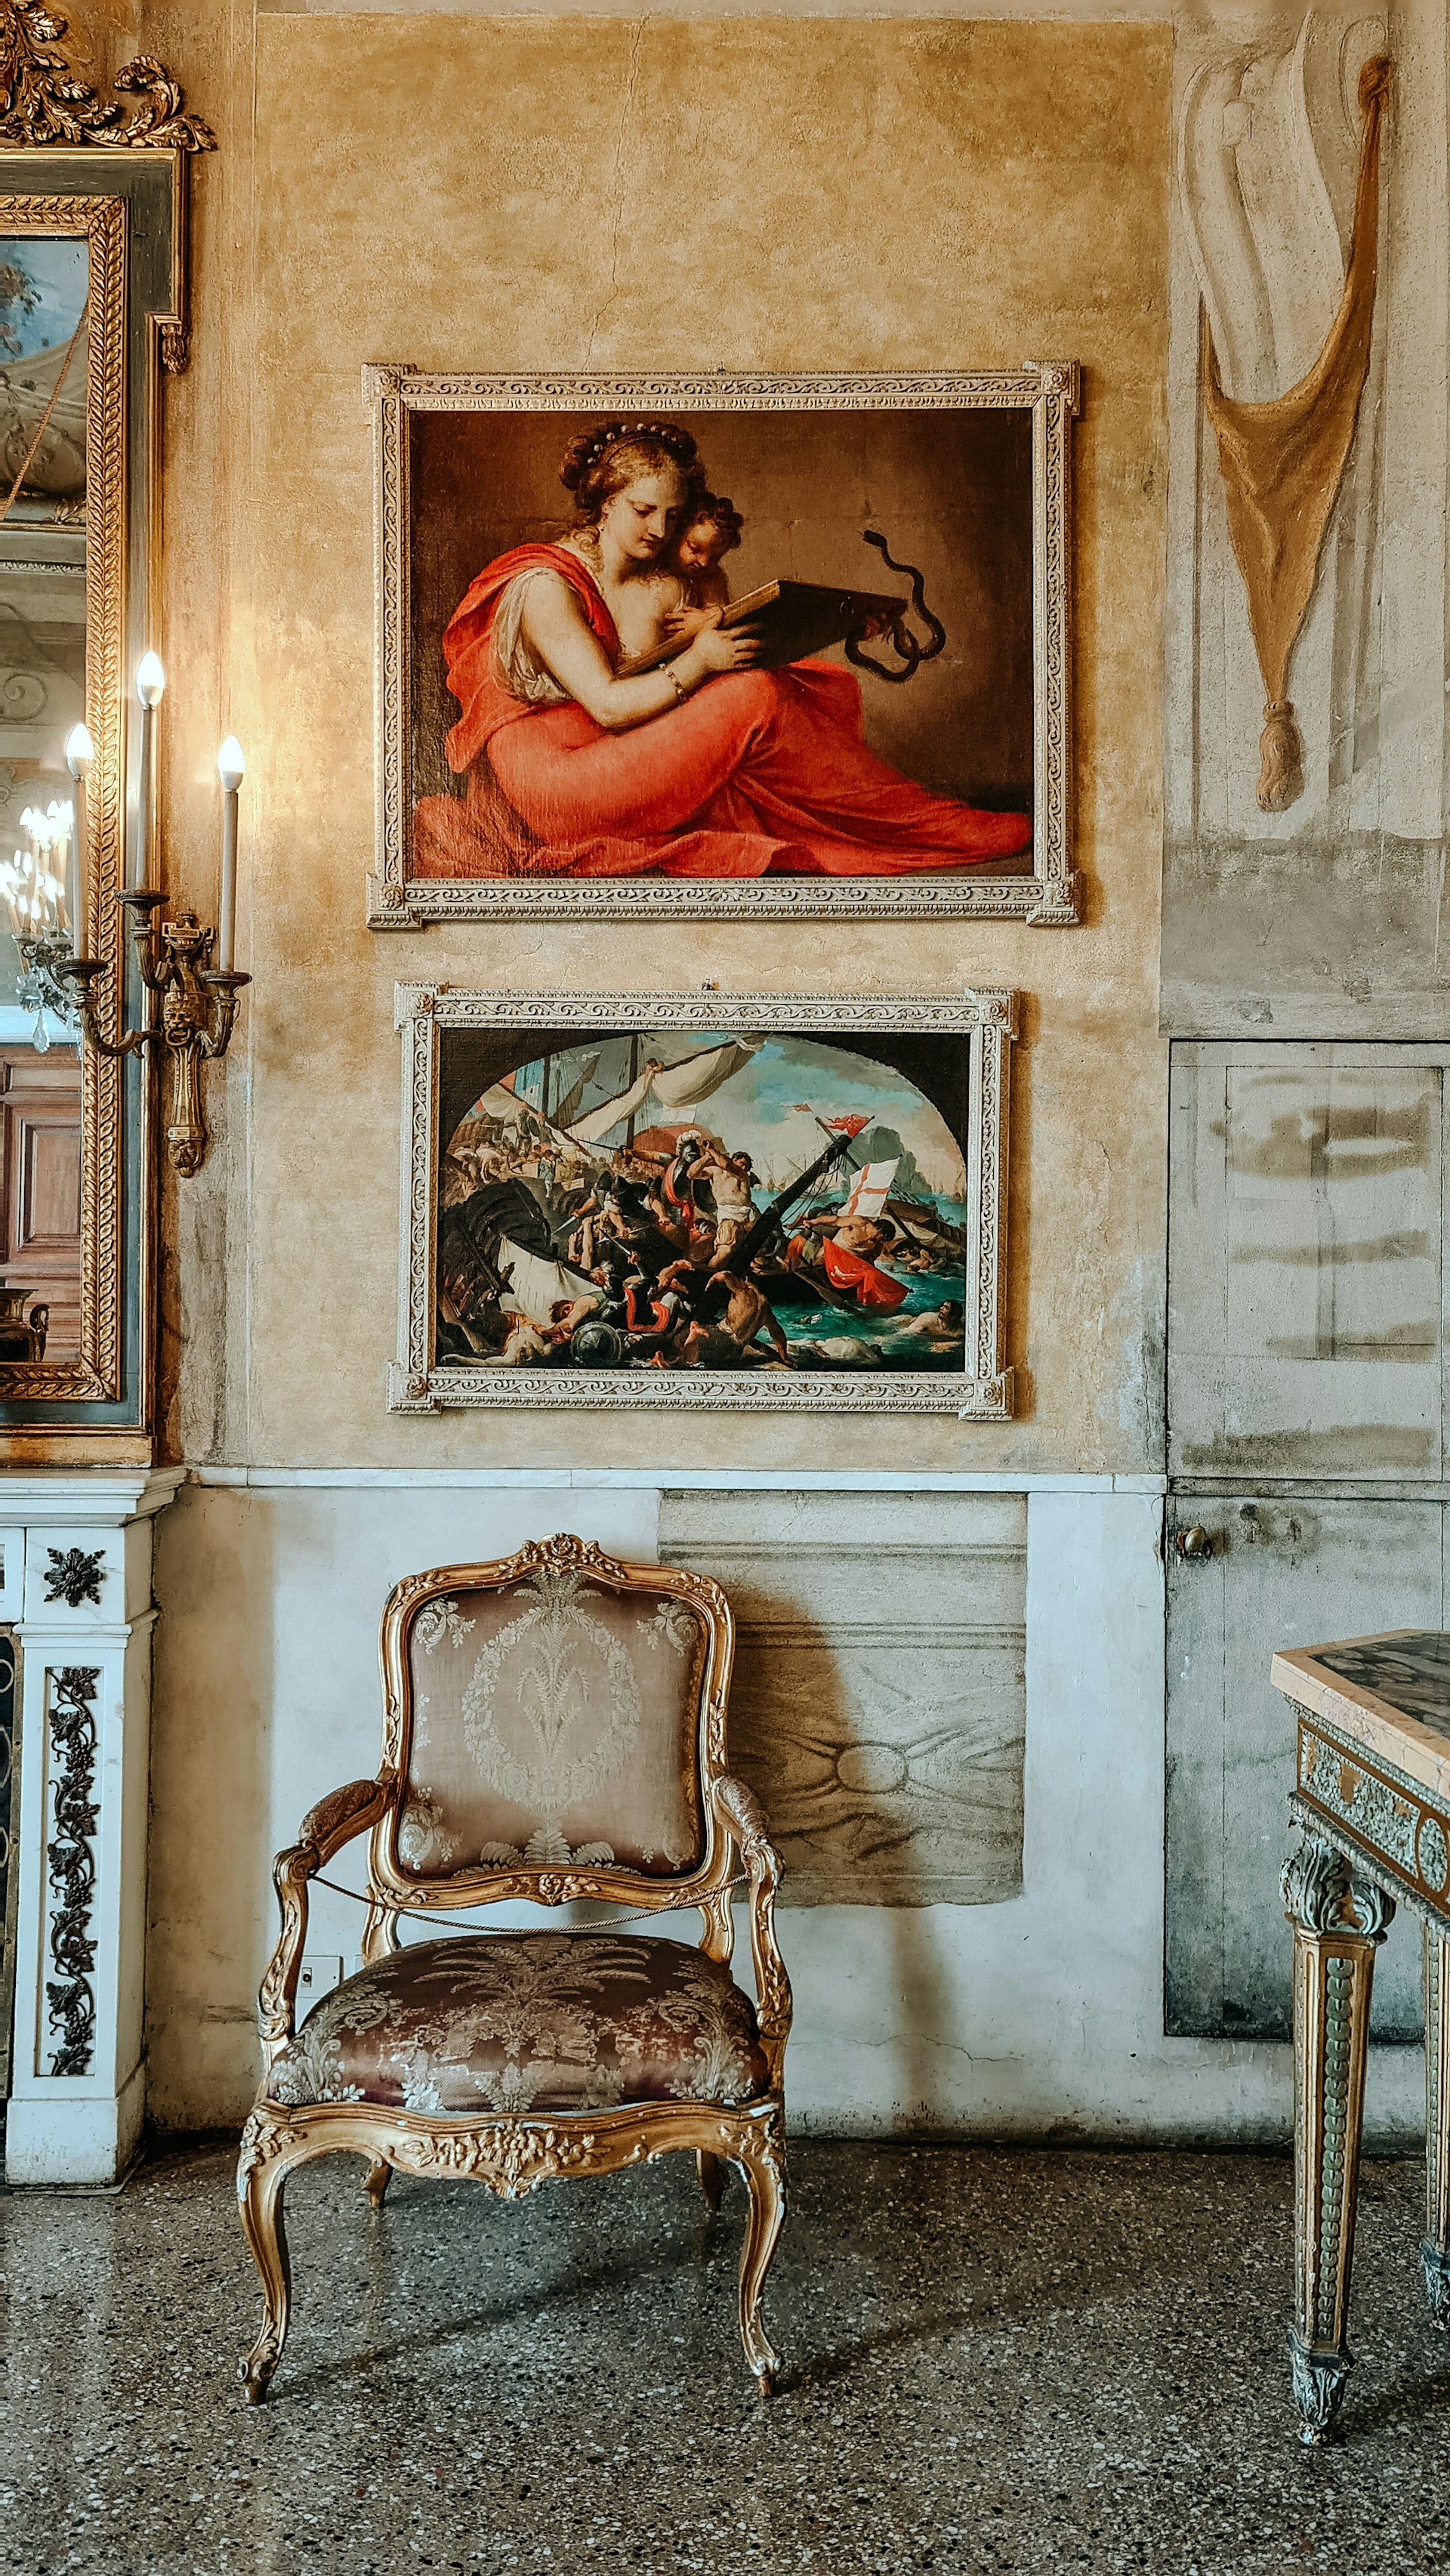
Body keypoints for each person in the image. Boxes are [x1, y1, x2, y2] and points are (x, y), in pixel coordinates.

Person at [412, 419, 1034, 881]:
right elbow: (607, 703)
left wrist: (825, 623)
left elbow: (655, 664)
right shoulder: (543, 586)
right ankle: (927, 825)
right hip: (564, 787)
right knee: (754, 693)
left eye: (671, 514)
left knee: (780, 686)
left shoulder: (643, 574)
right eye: (642, 510)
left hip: (610, 754)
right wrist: (702, 659)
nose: (659, 530)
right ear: (605, 504)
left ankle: (919, 818)